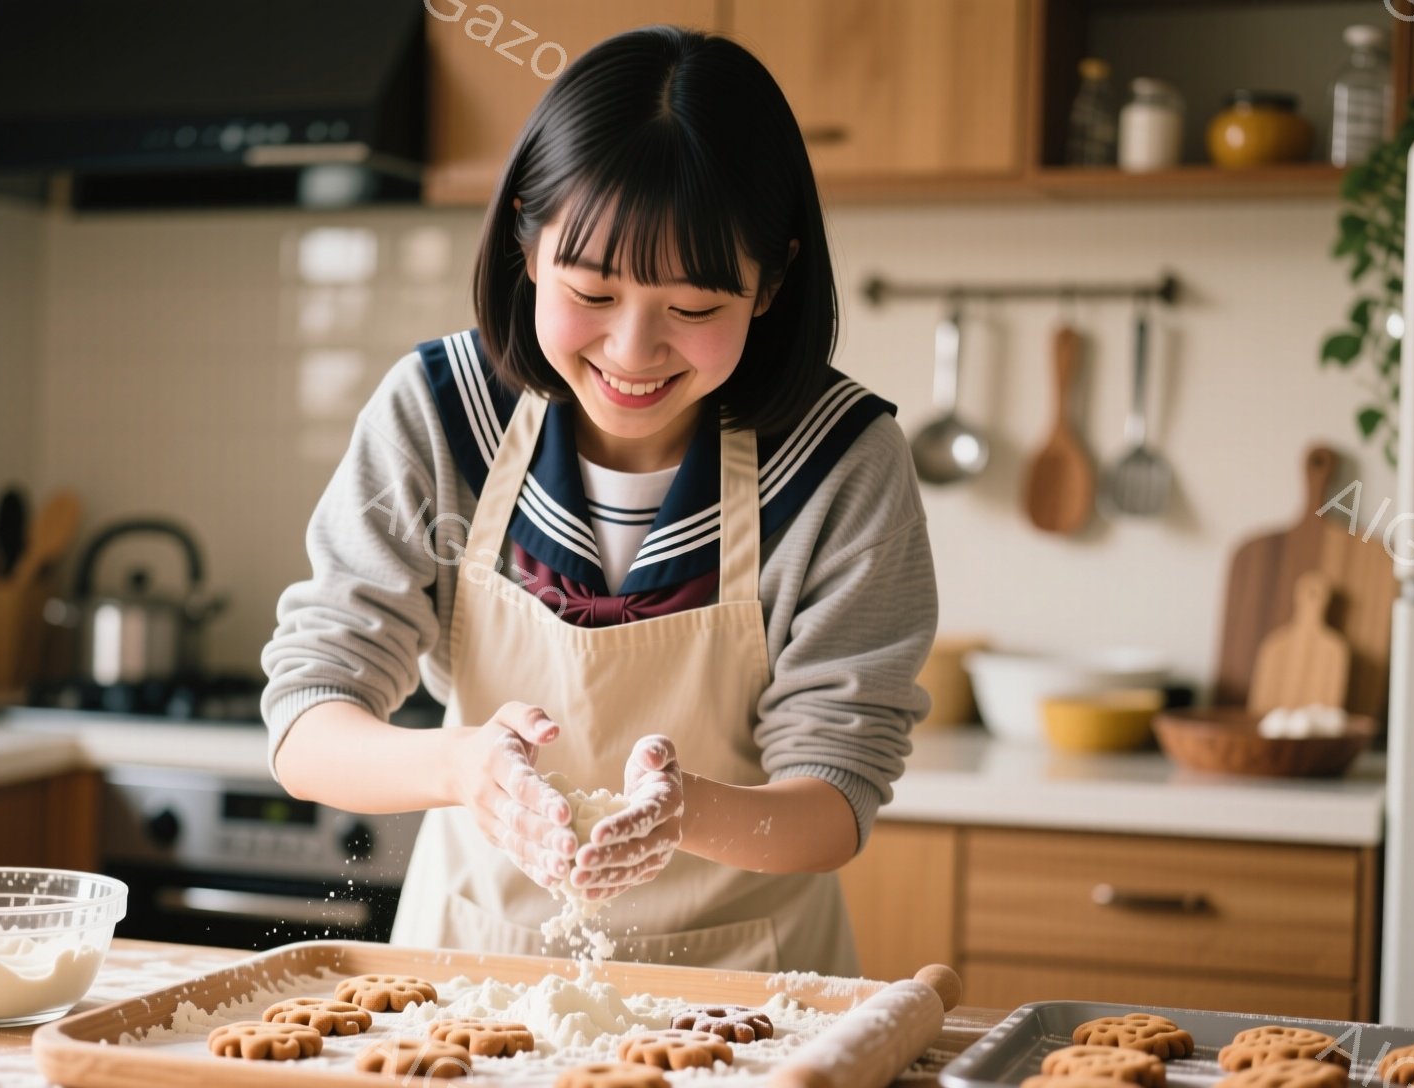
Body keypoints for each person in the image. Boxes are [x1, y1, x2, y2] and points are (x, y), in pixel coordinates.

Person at [260, 24, 936, 975]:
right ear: (528, 246)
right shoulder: (442, 416)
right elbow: (308, 721)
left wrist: (687, 813)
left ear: (772, 280)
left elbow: (834, 800)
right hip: (471, 971)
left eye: (694, 309)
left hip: (752, 998)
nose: (631, 350)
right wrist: (464, 770)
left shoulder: (837, 464)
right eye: (591, 290)